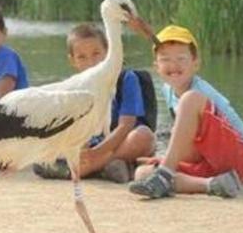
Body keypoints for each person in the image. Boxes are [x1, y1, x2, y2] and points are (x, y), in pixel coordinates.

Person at [129, 25, 243, 199]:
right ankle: (213, 185)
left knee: (189, 99)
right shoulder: (167, 90)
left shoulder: (198, 92)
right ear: (156, 66)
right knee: (142, 174)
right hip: (216, 167)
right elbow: (187, 137)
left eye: (181, 58)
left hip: (239, 156)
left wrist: (167, 164)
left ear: (196, 63)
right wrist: (163, 159)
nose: (173, 65)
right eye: (165, 59)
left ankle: (164, 174)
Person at [35, 23, 156, 182]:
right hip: (91, 146)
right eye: (82, 57)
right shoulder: (74, 87)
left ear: (108, 53)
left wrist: (96, 154)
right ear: (73, 61)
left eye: (96, 53)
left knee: (144, 136)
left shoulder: (126, 79)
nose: (91, 62)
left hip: (122, 142)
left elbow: (125, 125)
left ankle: (87, 169)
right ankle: (109, 167)